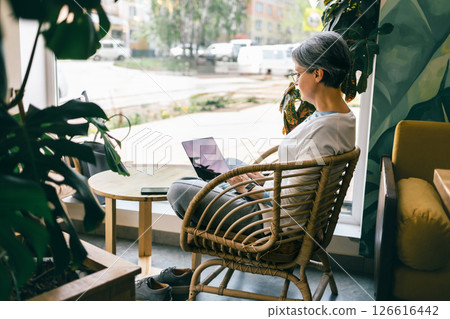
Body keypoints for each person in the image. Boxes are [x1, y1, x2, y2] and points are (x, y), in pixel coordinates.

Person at [167, 31, 355, 232]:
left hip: (270, 221)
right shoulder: (342, 117)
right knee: (228, 164)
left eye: (298, 74)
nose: (295, 82)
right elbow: (301, 177)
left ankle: (223, 190)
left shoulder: (323, 131)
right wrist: (261, 178)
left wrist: (245, 187)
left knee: (179, 190)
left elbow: (290, 202)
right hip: (279, 201)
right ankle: (222, 187)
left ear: (317, 74)